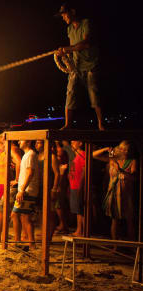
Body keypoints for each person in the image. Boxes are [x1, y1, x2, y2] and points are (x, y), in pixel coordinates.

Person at [56, 3, 104, 131]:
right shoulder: (69, 29)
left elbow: (86, 44)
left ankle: (101, 124)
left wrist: (68, 49)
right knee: (70, 92)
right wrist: (64, 53)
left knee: (94, 93)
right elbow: (73, 48)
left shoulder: (86, 23)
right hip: (76, 66)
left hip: (90, 65)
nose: (63, 17)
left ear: (72, 11)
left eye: (64, 14)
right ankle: (68, 124)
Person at [94, 141, 137, 242]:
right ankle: (115, 246)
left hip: (126, 195)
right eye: (122, 149)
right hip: (114, 194)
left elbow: (135, 177)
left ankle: (134, 247)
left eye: (126, 149)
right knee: (115, 221)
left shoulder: (132, 161)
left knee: (129, 221)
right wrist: (106, 149)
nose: (124, 151)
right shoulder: (113, 159)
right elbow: (93, 155)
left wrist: (121, 172)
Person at [12, 141, 40, 249]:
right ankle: (28, 242)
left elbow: (30, 173)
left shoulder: (30, 155)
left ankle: (24, 241)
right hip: (27, 189)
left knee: (18, 215)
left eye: (21, 140)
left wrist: (22, 189)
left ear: (28, 142)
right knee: (24, 216)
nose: (19, 141)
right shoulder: (27, 155)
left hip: (28, 190)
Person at [67, 141, 86, 236]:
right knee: (78, 210)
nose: (72, 143)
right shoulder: (75, 156)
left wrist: (81, 187)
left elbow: (84, 171)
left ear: (80, 143)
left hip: (78, 186)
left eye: (74, 141)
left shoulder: (83, 154)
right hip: (74, 186)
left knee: (81, 210)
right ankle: (79, 230)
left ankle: (83, 231)